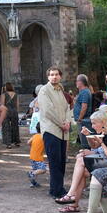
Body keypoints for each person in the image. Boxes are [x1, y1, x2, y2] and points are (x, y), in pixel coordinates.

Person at [56, 108, 107, 213]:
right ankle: (73, 205)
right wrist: (88, 136)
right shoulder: (105, 131)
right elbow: (94, 146)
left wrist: (101, 143)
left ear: (103, 122)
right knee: (81, 169)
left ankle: (71, 194)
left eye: (94, 123)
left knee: (81, 161)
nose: (92, 126)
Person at [37, 66, 71, 199]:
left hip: (63, 130)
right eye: (51, 74)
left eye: (56, 74)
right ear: (48, 77)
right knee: (54, 161)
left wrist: (68, 121)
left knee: (62, 161)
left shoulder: (60, 89)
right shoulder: (44, 91)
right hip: (51, 130)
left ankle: (59, 187)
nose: (54, 77)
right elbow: (47, 111)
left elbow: (67, 107)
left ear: (60, 76)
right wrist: (61, 124)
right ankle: (56, 190)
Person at [73, 74, 94, 149]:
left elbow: (84, 106)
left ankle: (86, 158)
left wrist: (79, 118)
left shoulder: (85, 92)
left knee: (85, 143)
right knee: (84, 141)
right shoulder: (83, 91)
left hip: (84, 120)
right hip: (83, 120)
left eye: (76, 81)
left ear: (80, 82)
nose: (76, 83)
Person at [0, 83, 20, 148]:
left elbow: (2, 104)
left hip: (6, 111)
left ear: (6, 87)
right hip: (14, 111)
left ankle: (8, 143)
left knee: (6, 127)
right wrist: (17, 112)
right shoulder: (16, 94)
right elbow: (17, 105)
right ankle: (16, 142)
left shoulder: (4, 95)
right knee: (15, 127)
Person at [27, 123, 47, 188]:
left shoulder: (35, 136)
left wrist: (33, 146)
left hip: (32, 156)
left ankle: (33, 183)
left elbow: (28, 142)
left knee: (35, 169)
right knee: (43, 169)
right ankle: (32, 174)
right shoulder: (43, 137)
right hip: (38, 157)